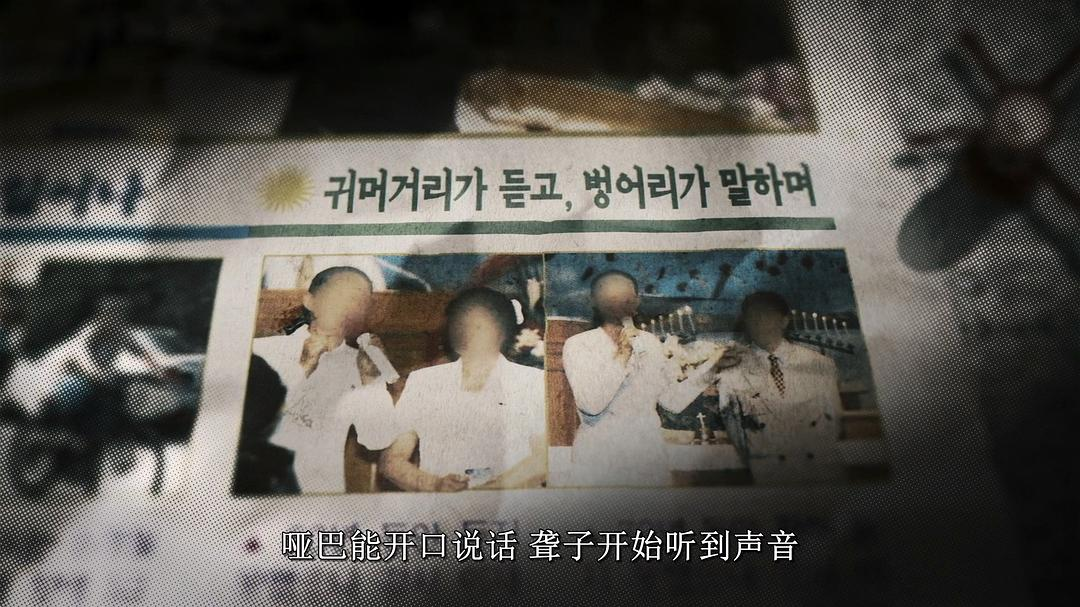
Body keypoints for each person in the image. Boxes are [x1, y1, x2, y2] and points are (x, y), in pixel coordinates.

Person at [561, 270, 739, 487]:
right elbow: (590, 404)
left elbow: (672, 402)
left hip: (648, 457)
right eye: (611, 297)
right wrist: (623, 355)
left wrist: (712, 367)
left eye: (627, 297)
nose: (619, 304)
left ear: (637, 302)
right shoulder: (579, 345)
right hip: (599, 459)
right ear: (594, 301)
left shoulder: (651, 343)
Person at [379, 287, 546, 492]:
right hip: (440, 505)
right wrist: (435, 484)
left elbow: (543, 459)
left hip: (510, 504)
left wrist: (489, 490)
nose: (469, 332)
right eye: (461, 323)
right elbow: (392, 461)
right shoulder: (424, 381)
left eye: (480, 326)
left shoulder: (532, 381)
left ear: (502, 330)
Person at [252, 266, 397, 494]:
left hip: (319, 494)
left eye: (359, 301)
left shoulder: (362, 363)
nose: (349, 307)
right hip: (259, 489)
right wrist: (302, 368)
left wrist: (371, 381)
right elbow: (253, 425)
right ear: (310, 301)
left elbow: (377, 439)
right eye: (339, 296)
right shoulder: (263, 351)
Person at [717, 291, 845, 484]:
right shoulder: (732, 372)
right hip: (771, 474)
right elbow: (735, 433)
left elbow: (833, 420)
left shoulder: (819, 364)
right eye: (752, 316)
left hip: (821, 471)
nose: (759, 322)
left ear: (784, 321)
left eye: (766, 314)